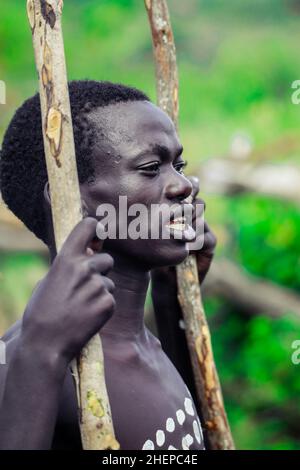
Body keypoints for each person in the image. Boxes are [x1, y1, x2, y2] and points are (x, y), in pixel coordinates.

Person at [0, 80, 216, 450]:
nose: (184, 185)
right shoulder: (24, 362)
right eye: (151, 167)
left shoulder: (145, 343)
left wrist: (172, 299)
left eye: (178, 165)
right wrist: (42, 353)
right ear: (72, 197)